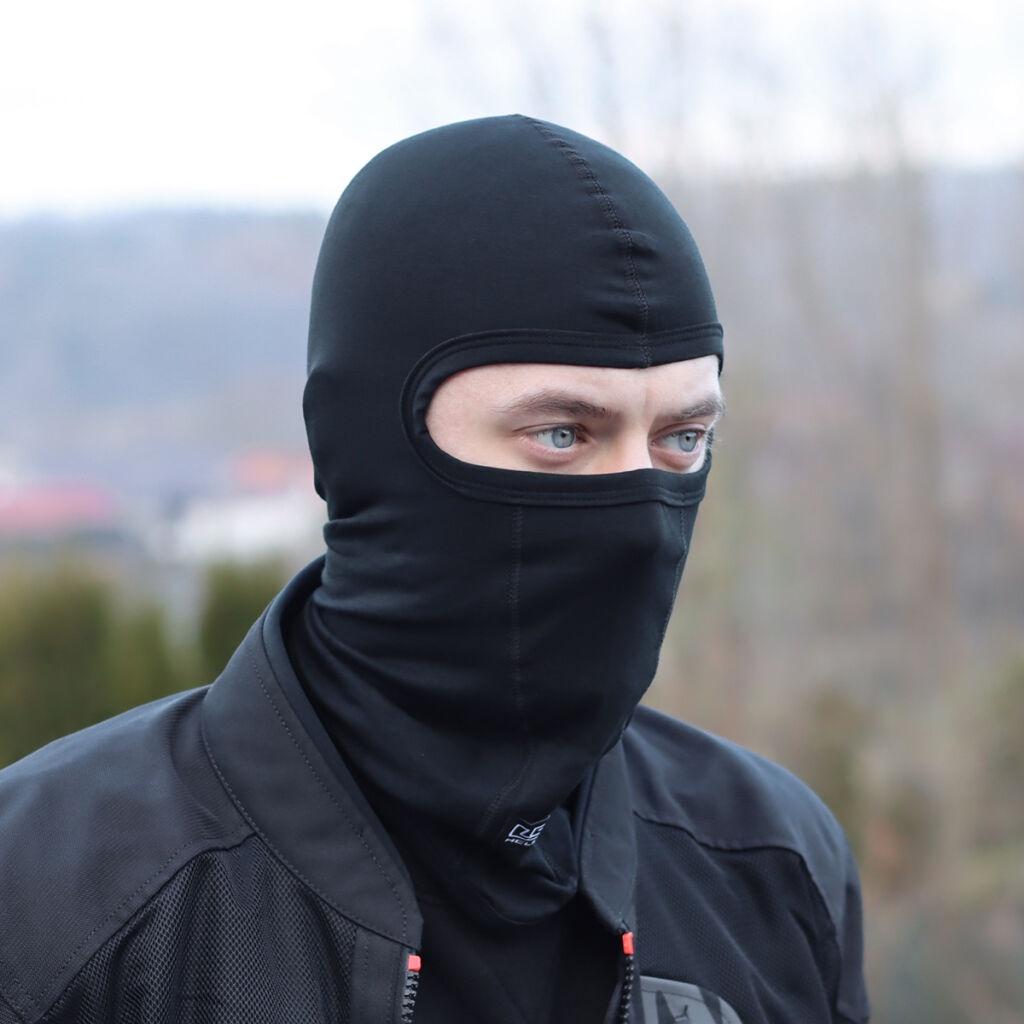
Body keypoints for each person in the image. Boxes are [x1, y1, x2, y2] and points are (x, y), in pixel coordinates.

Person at [0, 113, 870, 1024]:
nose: (641, 519)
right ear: (360, 445)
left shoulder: (773, 861)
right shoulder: (53, 903)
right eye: (561, 434)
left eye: (681, 438)